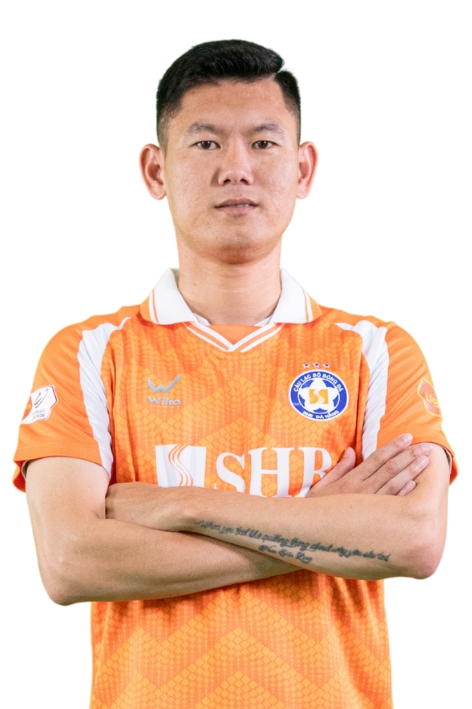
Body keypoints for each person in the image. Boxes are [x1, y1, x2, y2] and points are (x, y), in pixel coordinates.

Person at [14, 39, 456, 709]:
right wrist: (321, 524)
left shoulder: (376, 351)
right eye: (206, 143)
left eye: (264, 142)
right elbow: (71, 561)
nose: (237, 169)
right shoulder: (87, 353)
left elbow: (416, 540)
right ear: (156, 170)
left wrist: (184, 507)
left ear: (303, 168)